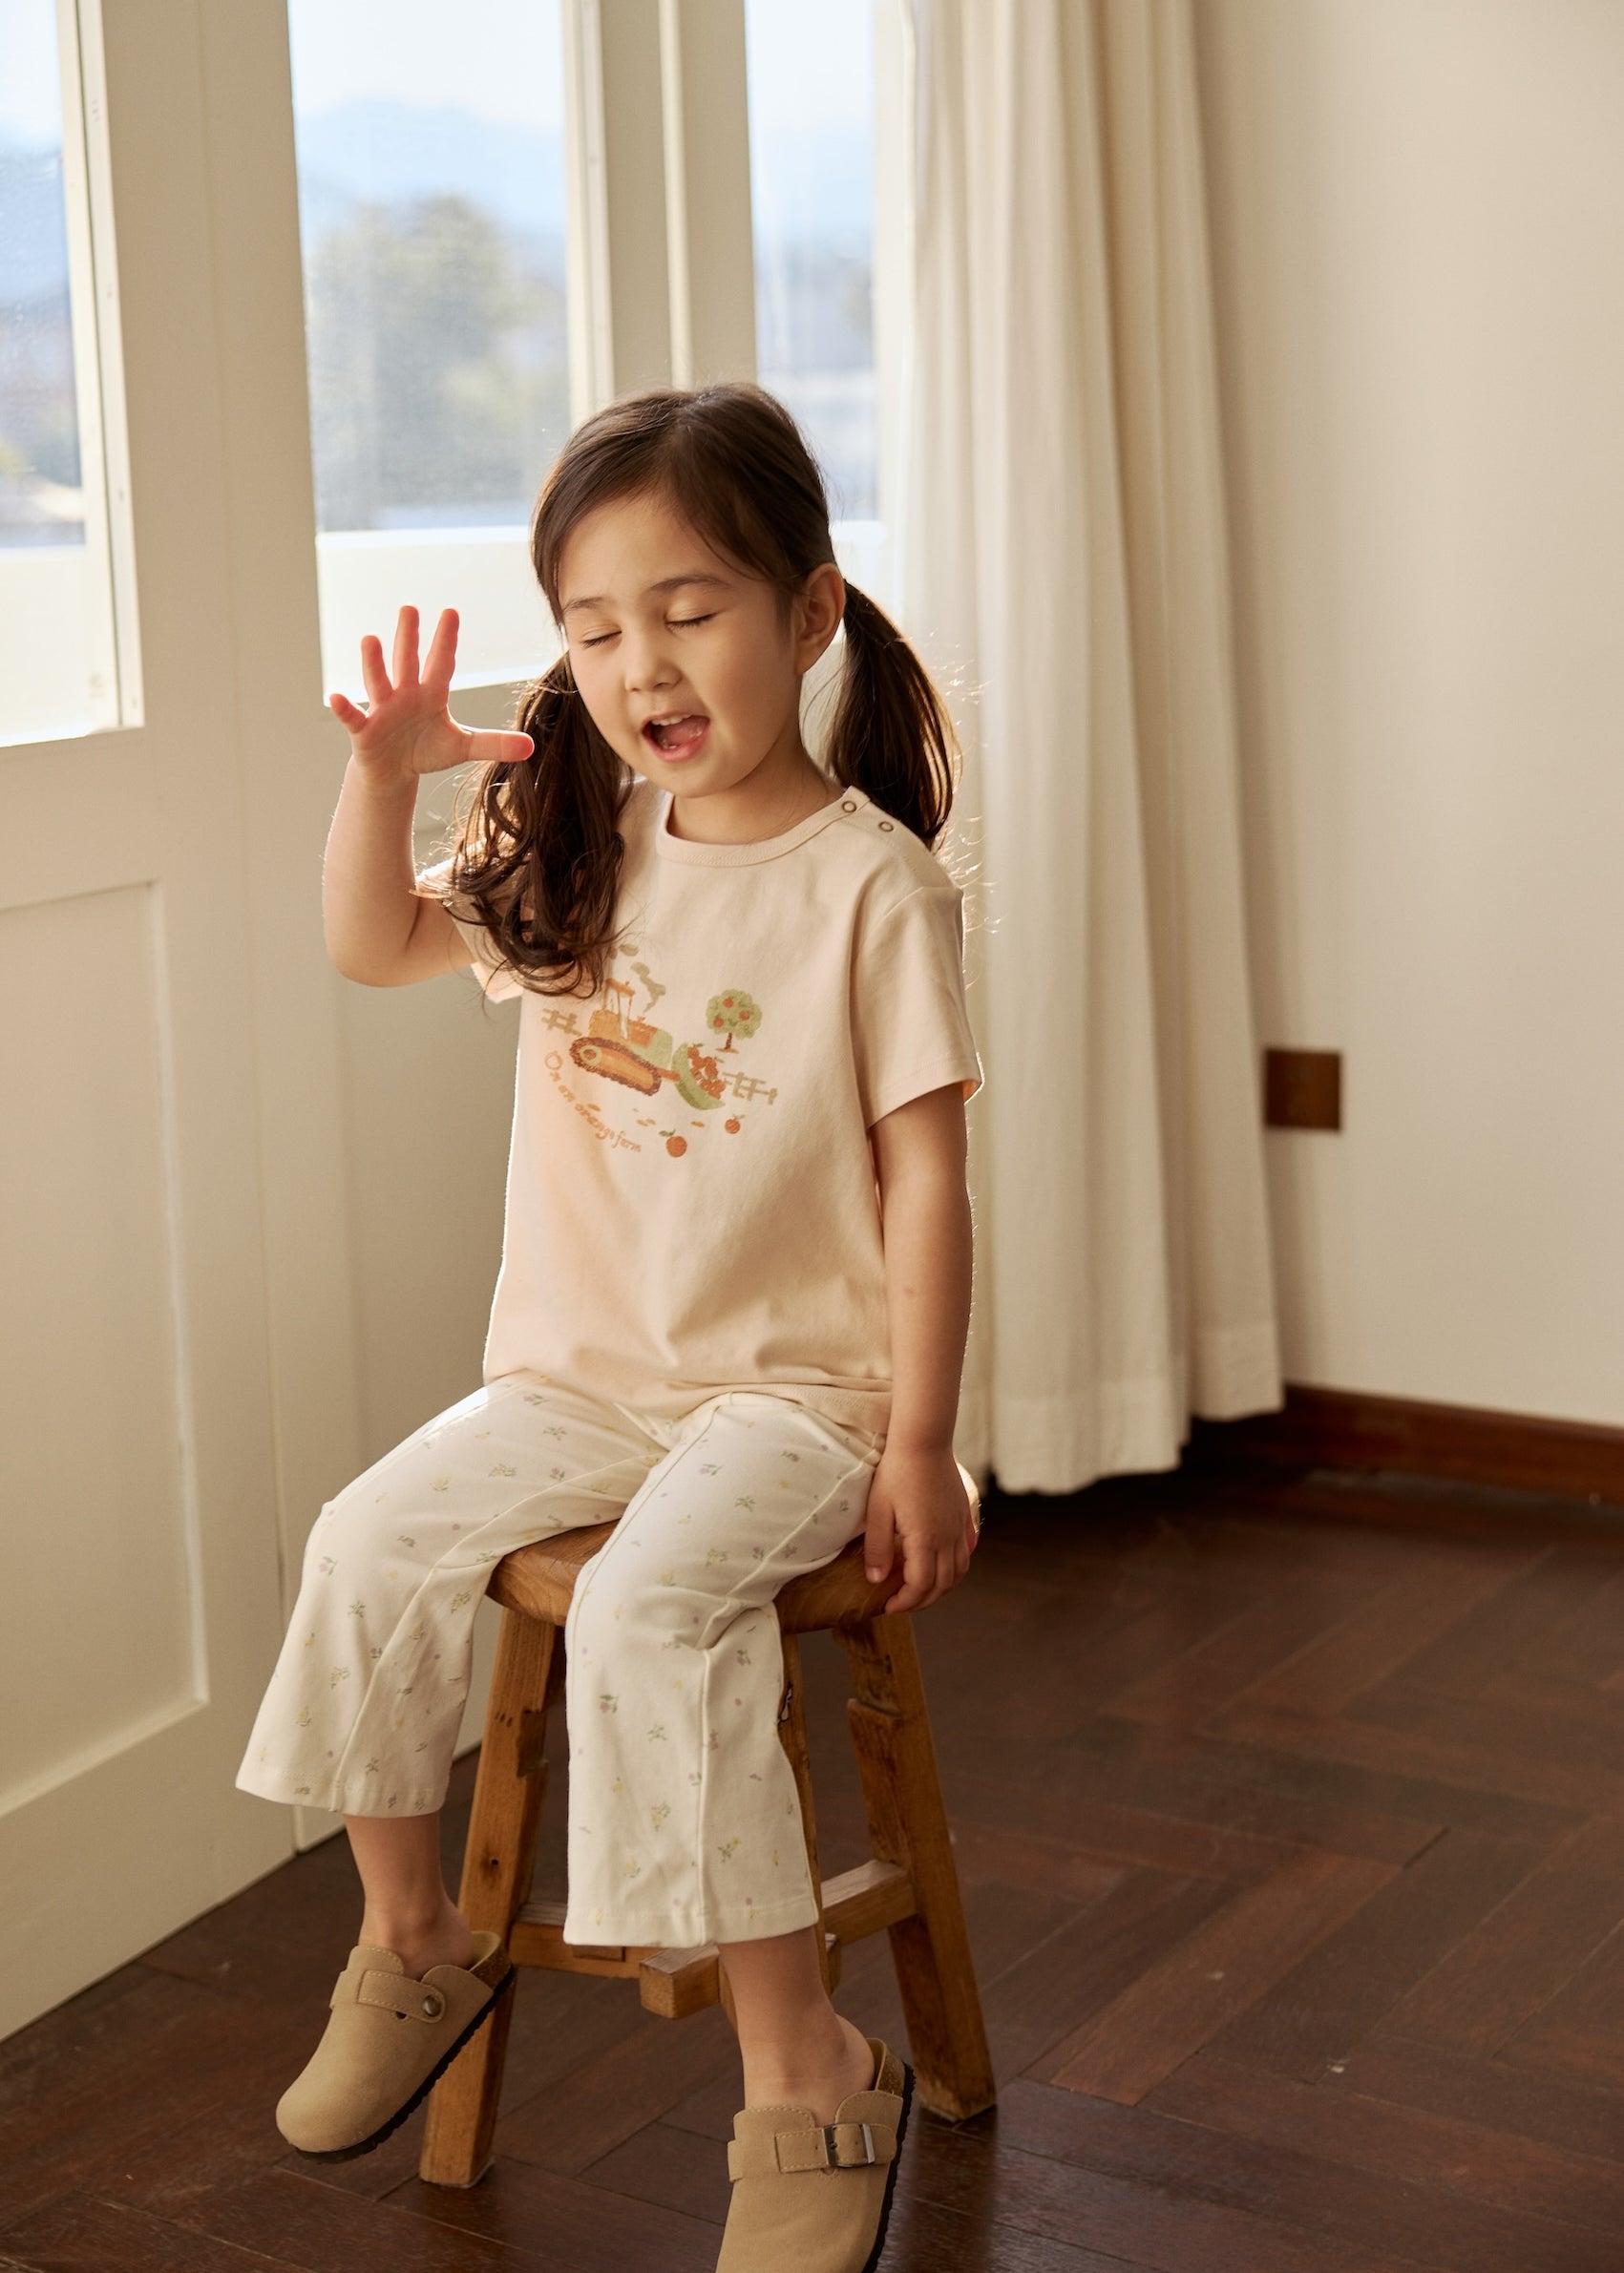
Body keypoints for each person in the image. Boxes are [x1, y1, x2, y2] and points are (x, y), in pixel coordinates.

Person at [234, 381, 984, 2271]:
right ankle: (414, 1945)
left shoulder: (868, 892)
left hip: (795, 1400)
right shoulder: (577, 838)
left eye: (689, 606)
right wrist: (381, 776)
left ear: (807, 612)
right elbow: (376, 944)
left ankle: (801, 2067)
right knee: (369, 1538)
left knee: (655, 1607)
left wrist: (913, 1441)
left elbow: (925, 1186)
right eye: (591, 623)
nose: (639, 659)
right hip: (576, 1380)